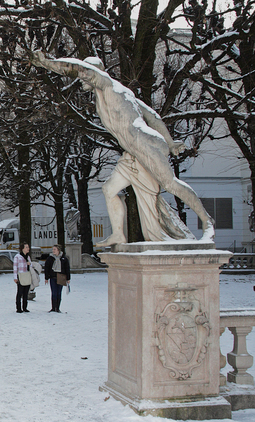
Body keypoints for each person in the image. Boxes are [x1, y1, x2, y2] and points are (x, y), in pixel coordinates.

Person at [30, 51, 214, 246]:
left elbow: (77, 68)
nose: (81, 78)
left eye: (85, 74)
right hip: (133, 151)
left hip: (145, 143)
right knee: (109, 189)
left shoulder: (109, 86)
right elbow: (153, 117)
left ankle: (207, 220)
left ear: (94, 73)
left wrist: (46, 62)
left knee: (170, 184)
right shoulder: (124, 94)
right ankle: (118, 234)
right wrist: (170, 142)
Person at [44, 244, 71, 313]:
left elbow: (67, 269)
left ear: (58, 250)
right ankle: (53, 307)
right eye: (53, 249)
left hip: (61, 277)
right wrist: (46, 277)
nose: (53, 251)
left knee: (59, 293)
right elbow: (47, 268)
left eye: (54, 249)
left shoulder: (64, 259)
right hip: (53, 277)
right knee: (54, 292)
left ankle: (57, 308)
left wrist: (68, 278)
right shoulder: (50, 258)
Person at [13, 242, 32, 313]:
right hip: (20, 275)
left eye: (28, 247)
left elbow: (31, 265)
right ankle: (18, 308)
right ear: (22, 249)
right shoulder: (17, 257)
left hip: (27, 275)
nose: (28, 248)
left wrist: (30, 264)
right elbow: (15, 267)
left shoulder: (28, 257)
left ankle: (25, 307)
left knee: (26, 293)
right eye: (26, 247)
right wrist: (15, 277)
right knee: (20, 292)